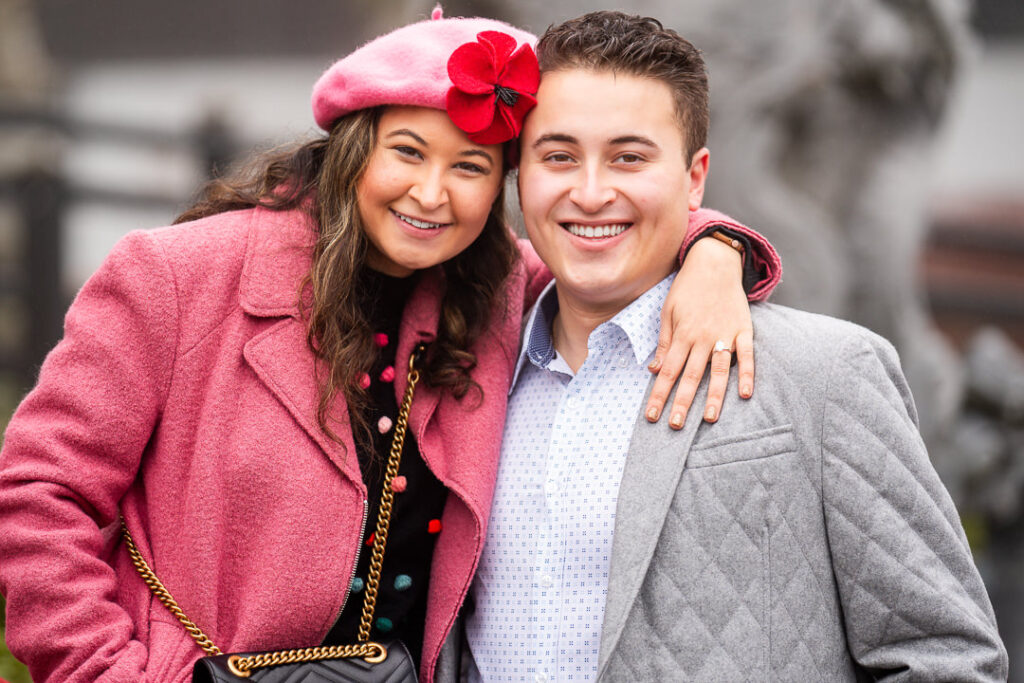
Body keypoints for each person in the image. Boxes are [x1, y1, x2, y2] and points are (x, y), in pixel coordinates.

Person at [0, 9, 783, 683]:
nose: (432, 193)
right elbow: (39, 494)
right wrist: (104, 672)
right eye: (407, 152)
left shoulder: (499, 294)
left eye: (470, 166)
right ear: (351, 148)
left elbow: (614, 244)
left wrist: (716, 254)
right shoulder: (176, 277)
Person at [465, 11, 1008, 682]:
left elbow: (946, 655)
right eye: (559, 156)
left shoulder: (829, 375)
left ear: (695, 178)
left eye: (629, 156)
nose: (592, 190)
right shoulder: (464, 373)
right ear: (519, 172)